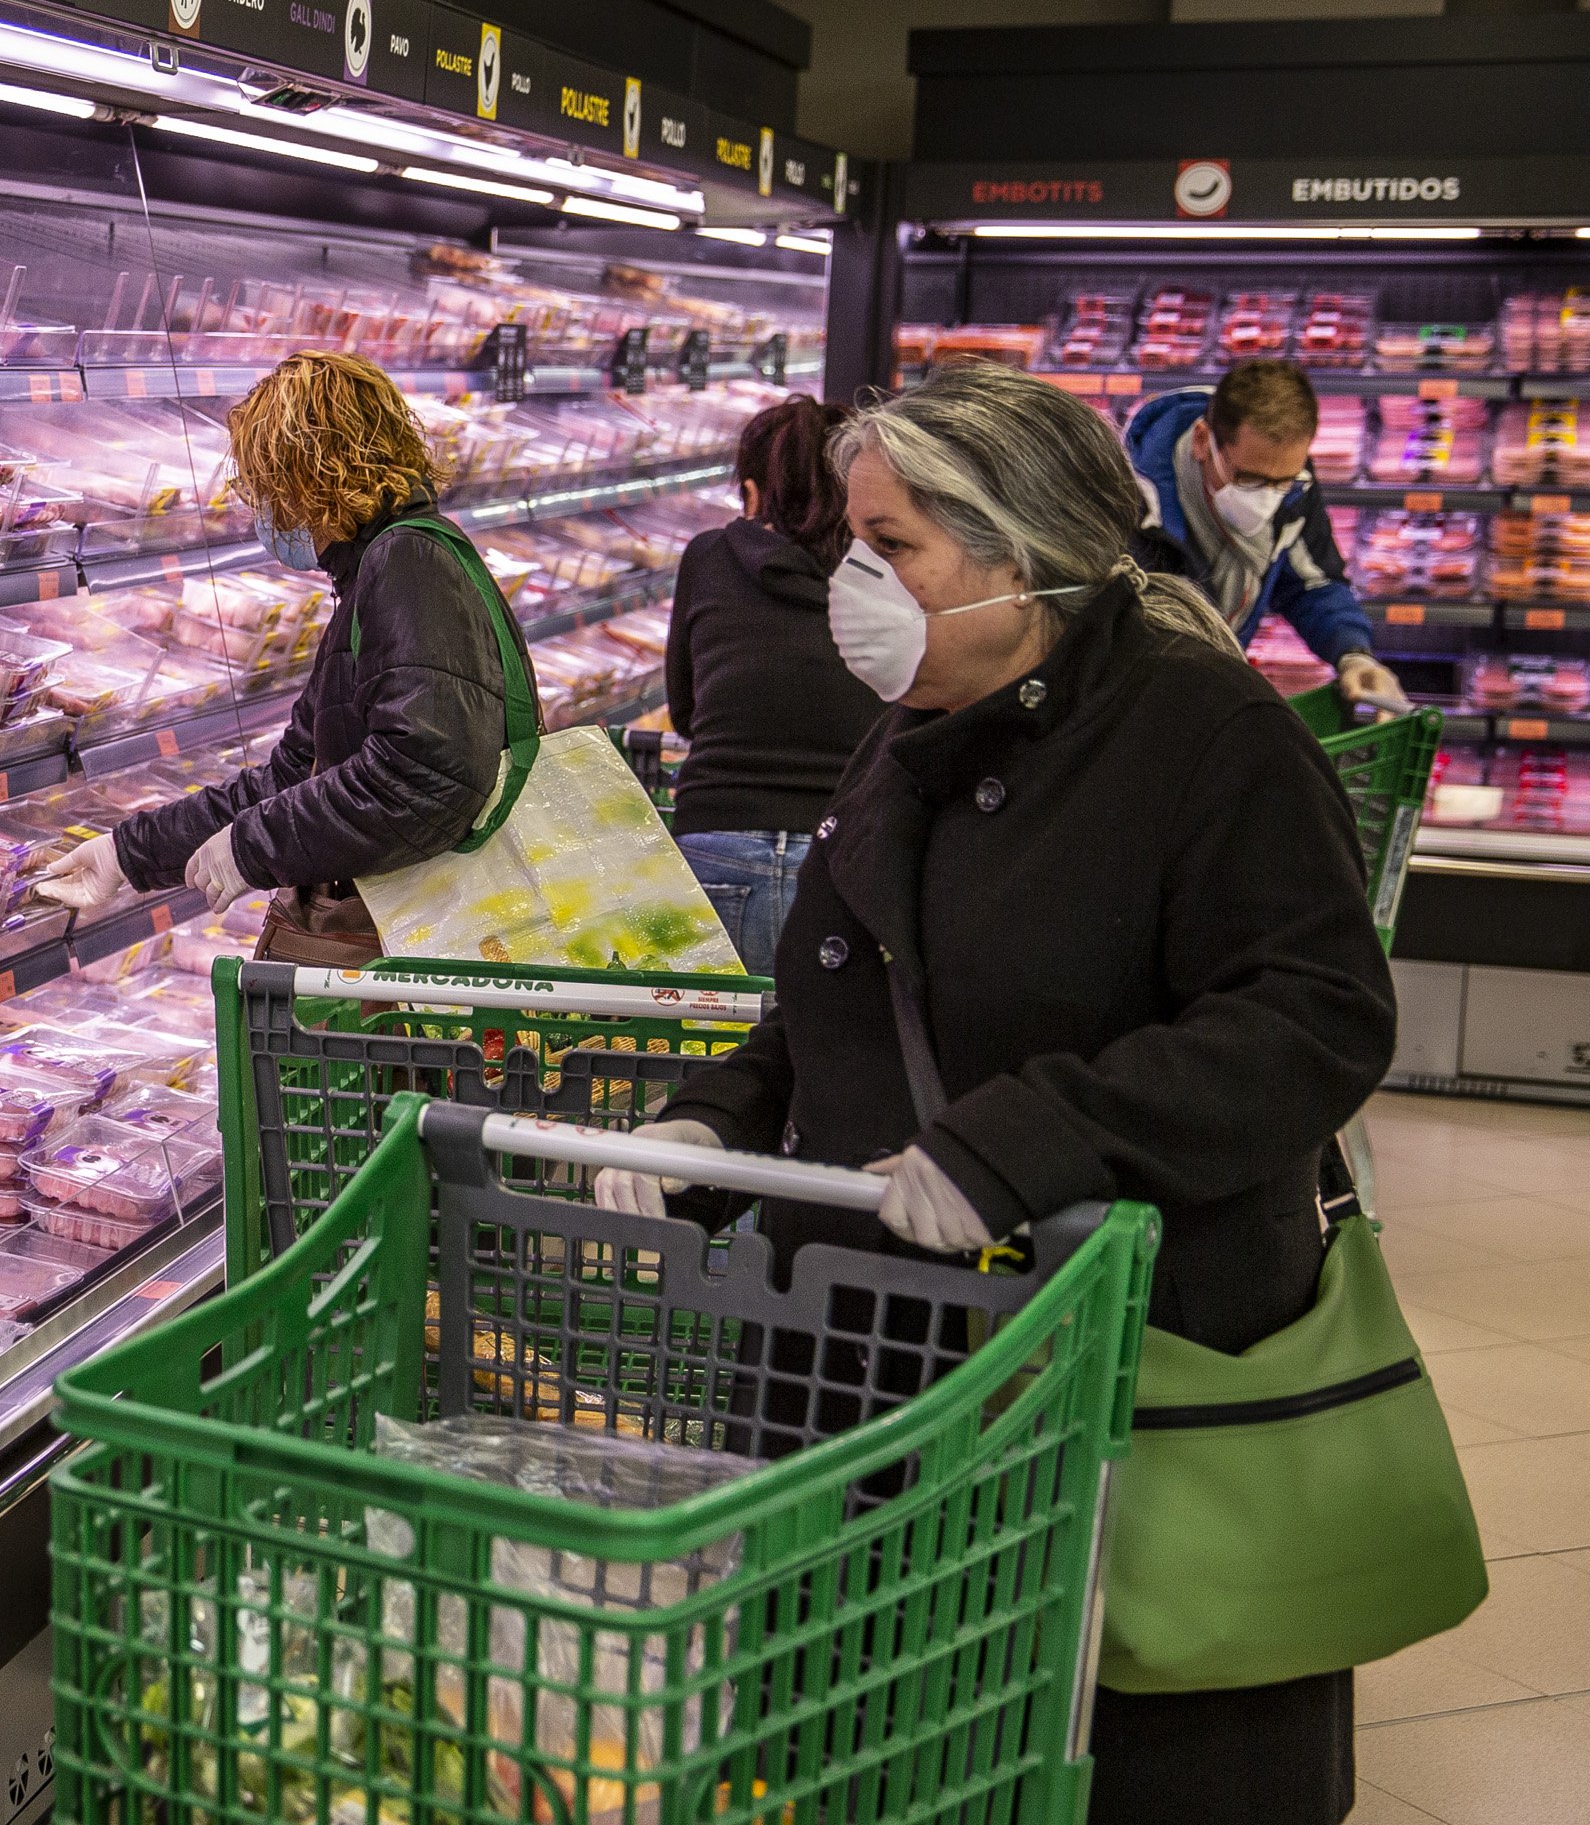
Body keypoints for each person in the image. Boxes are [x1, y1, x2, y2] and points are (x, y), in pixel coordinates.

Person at [597, 363, 1396, 1825]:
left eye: (891, 546)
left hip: (1106, 1371)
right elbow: (838, 984)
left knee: (1089, 1756)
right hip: (877, 1363)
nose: (855, 577)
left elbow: (1318, 1016)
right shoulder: (913, 715)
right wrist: (714, 1112)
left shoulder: (1206, 732)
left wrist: (1027, 1138)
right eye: (853, 538)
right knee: (885, 1742)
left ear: (1017, 555)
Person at [31, 350, 530, 966]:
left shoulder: (407, 567)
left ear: (307, 479)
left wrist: (251, 848)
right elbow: (297, 773)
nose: (261, 510)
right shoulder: (384, 568)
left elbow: (421, 776)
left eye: (265, 489)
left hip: (415, 945)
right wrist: (127, 854)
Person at [663, 394, 884, 974]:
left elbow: (684, 711)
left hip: (714, 840)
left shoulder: (709, 556)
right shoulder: (888, 569)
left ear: (754, 493)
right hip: (848, 848)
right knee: (827, 1051)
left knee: (704, 1054)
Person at [1125, 357, 1408, 713]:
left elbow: (1310, 584)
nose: (1267, 498)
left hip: (1213, 693)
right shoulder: (1128, 508)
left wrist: (1353, 654)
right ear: (1202, 441)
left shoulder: (1293, 486)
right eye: (1249, 479)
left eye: (1281, 481)